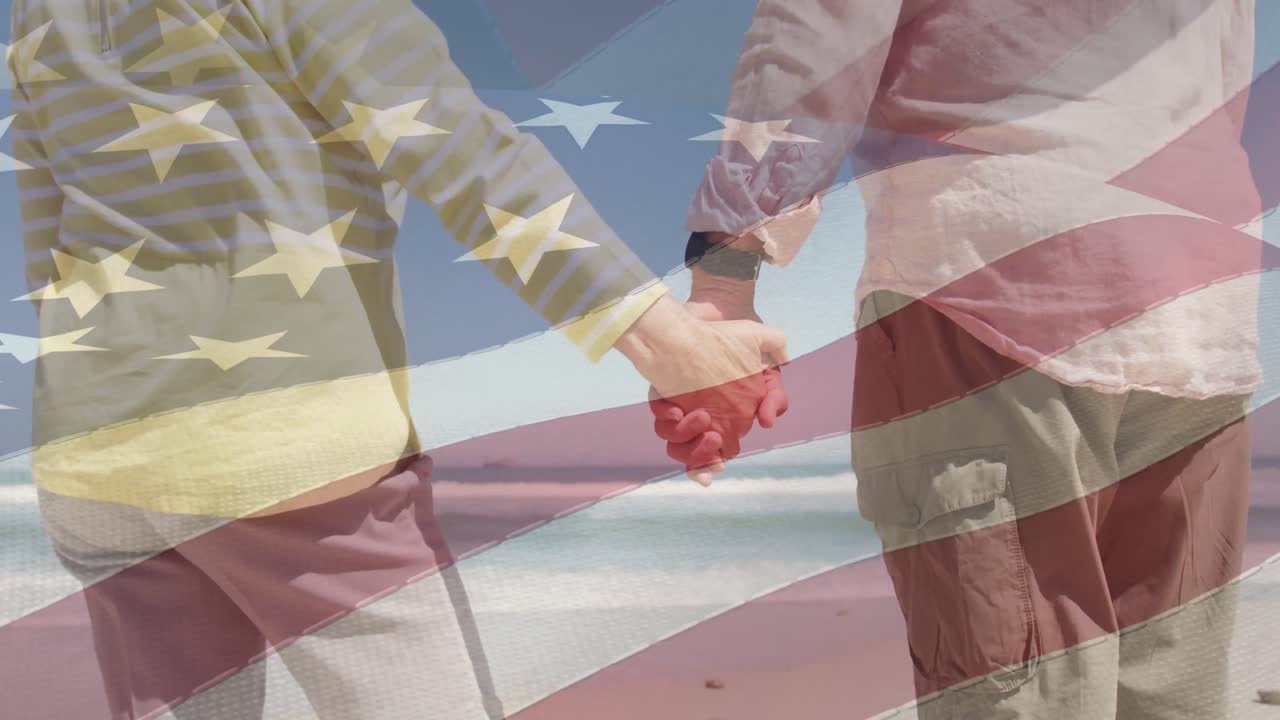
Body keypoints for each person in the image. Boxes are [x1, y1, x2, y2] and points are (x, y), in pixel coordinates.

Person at [6, 0, 785, 717]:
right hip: (280, 448)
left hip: (95, 451)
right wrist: (676, 348)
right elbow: (467, 159)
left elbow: (49, 232)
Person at [659, 0, 1267, 716]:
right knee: (1172, 694)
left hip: (992, 281)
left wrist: (725, 278)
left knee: (1023, 697)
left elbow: (816, 33)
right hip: (1198, 291)